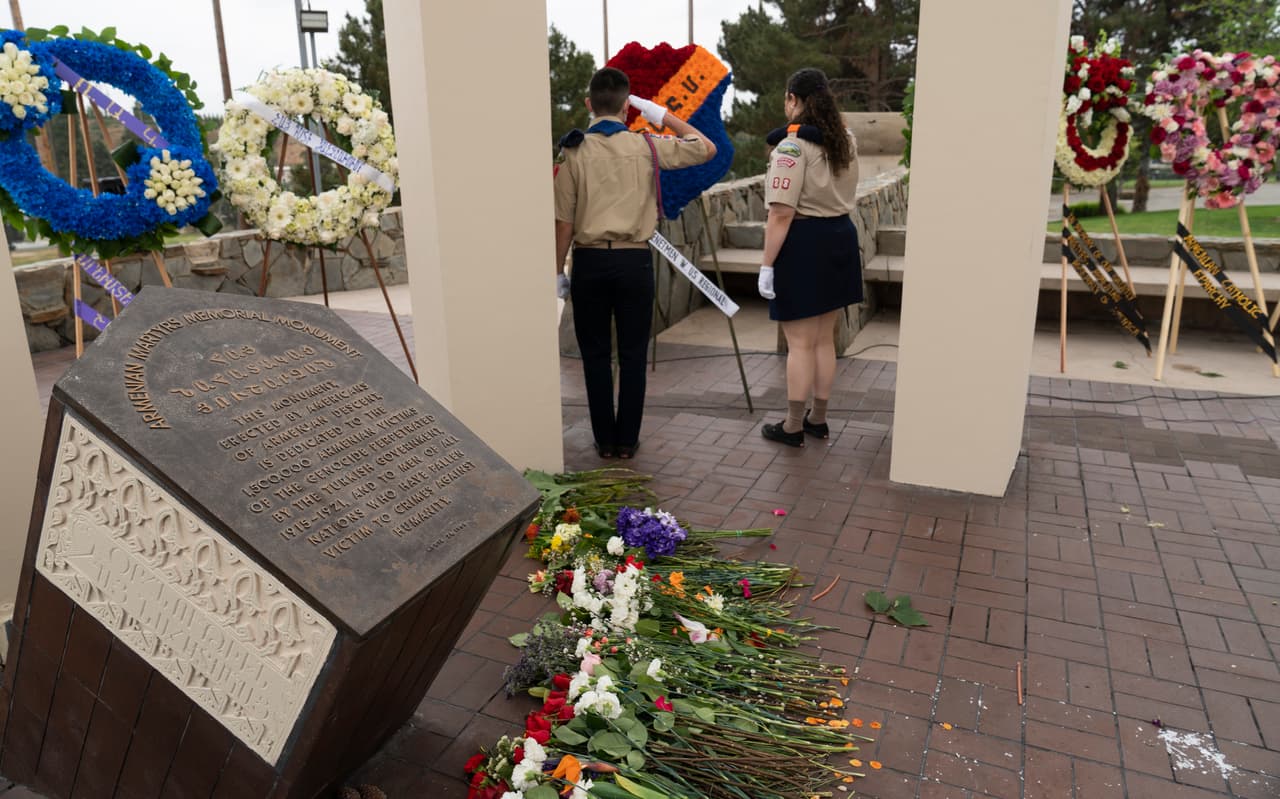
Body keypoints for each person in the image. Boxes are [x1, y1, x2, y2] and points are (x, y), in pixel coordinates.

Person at [554, 67, 717, 459]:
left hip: (590, 263)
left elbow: (564, 221)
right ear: (627, 108)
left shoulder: (573, 151)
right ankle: (627, 441)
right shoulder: (647, 146)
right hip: (635, 263)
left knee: (593, 355)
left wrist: (556, 270)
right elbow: (705, 147)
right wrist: (657, 113)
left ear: (589, 104)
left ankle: (604, 441)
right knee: (631, 355)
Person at [756, 68, 861, 448]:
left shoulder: (791, 147)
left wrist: (767, 266)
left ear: (793, 100)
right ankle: (818, 418)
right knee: (822, 340)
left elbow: (781, 213)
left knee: (800, 343)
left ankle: (793, 425)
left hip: (804, 243)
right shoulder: (844, 140)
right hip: (840, 237)